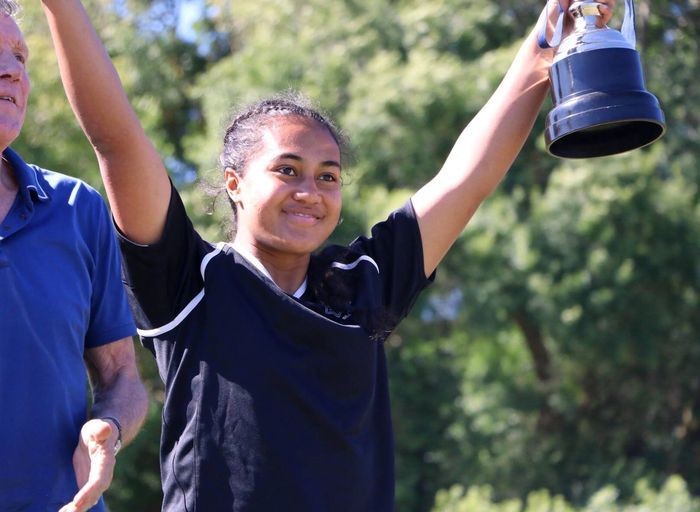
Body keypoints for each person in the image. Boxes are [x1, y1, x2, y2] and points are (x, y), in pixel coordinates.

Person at [42, 0, 615, 510]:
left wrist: (544, 49)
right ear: (234, 183)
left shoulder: (362, 283)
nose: (310, 192)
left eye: (328, 176)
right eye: (287, 171)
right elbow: (117, 139)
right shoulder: (191, 283)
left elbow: (465, 179)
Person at [0, 1, 148, 511]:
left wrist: (109, 426)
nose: (12, 70)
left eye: (20, 56)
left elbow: (122, 377)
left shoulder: (76, 208)